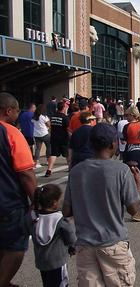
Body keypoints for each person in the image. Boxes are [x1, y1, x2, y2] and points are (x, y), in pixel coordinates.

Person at [62, 123, 140, 286]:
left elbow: (66, 211)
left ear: (91, 144)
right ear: (113, 144)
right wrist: (137, 184)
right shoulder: (122, 170)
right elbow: (134, 210)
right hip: (113, 244)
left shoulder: (76, 171)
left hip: (85, 245)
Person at [0, 92, 37, 287]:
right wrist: (37, 201)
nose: (17, 115)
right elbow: (26, 173)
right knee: (15, 247)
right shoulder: (11, 132)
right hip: (9, 203)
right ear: (8, 111)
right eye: (16, 111)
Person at [25, 184, 76, 287]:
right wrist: (72, 247)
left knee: (47, 283)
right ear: (54, 203)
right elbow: (70, 236)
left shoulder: (33, 217)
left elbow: (26, 227)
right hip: (58, 261)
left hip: (41, 261)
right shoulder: (59, 219)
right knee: (61, 283)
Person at [46, 102, 69, 177]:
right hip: (63, 138)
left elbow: (50, 127)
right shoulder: (65, 118)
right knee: (67, 154)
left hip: (54, 137)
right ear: (63, 108)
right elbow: (68, 129)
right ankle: (70, 168)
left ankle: (49, 169)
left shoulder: (52, 117)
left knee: (53, 154)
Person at [32, 104, 53, 171]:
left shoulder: (34, 117)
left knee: (38, 148)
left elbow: (33, 122)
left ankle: (36, 162)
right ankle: (48, 160)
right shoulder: (44, 117)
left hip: (36, 134)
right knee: (49, 146)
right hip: (44, 133)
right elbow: (49, 125)